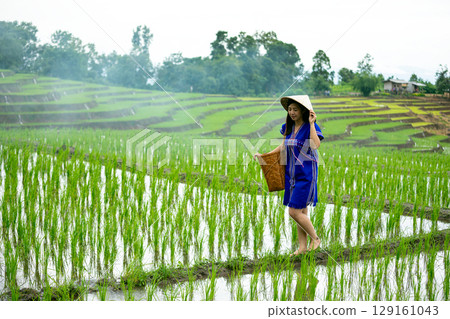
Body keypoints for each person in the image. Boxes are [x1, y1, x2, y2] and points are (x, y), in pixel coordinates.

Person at [253, 95, 324, 256]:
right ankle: (302, 248)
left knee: (294, 212)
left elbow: (315, 145)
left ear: (303, 111)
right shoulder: (289, 127)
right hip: (292, 174)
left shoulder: (310, 127)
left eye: (295, 109)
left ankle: (316, 239)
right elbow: (283, 145)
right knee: (301, 212)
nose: (292, 112)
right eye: (290, 109)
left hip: (306, 174)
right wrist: (264, 155)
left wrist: (312, 123)